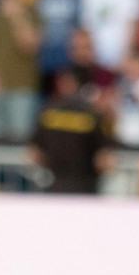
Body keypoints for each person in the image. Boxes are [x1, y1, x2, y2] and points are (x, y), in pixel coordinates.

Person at [30, 67, 108, 195]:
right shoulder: (49, 112)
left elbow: (103, 154)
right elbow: (35, 151)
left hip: (83, 183)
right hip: (58, 182)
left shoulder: (89, 114)